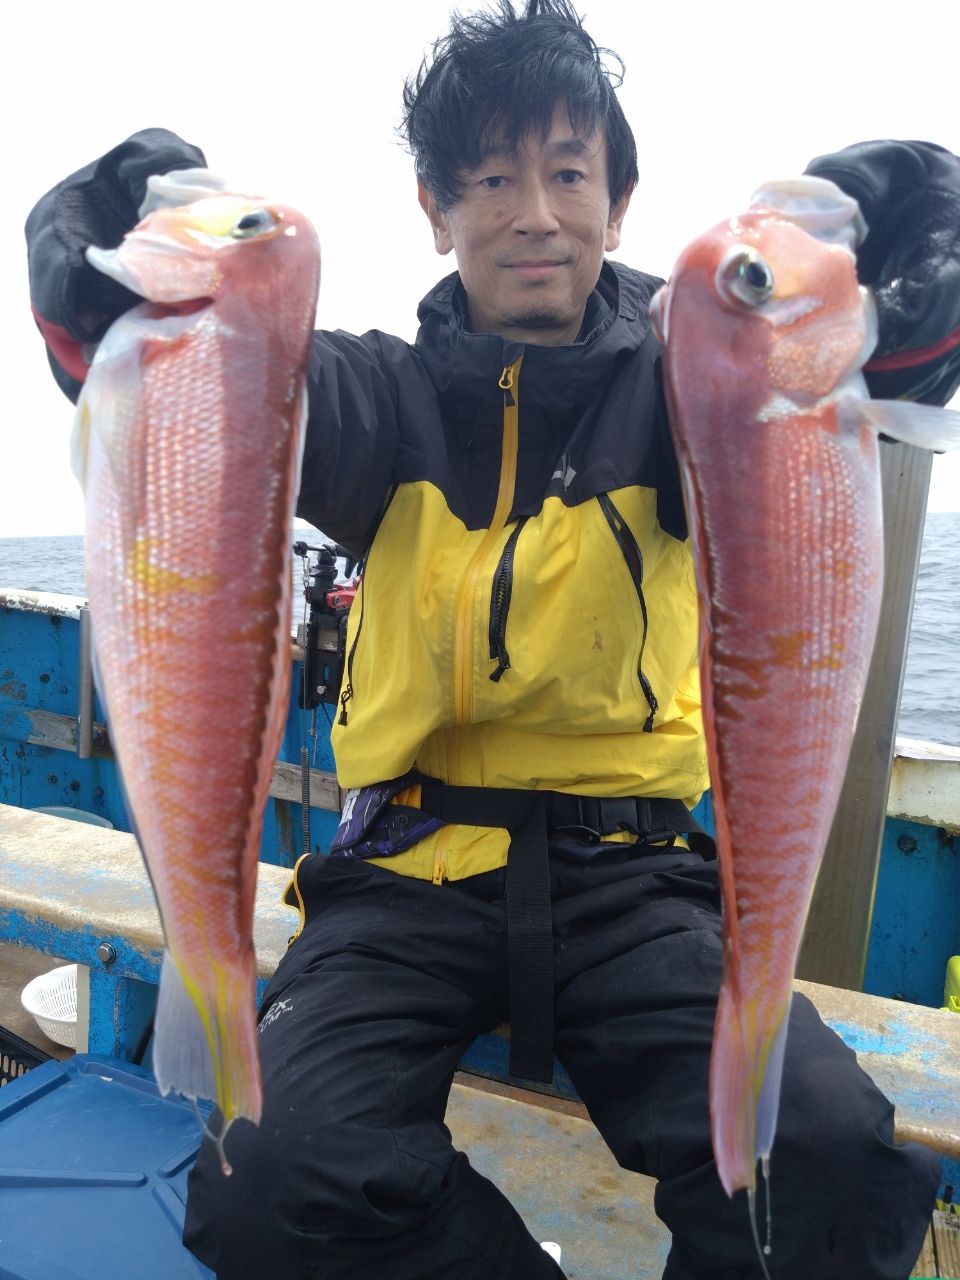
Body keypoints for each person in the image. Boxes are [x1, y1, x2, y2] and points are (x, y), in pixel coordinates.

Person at [25, 3, 960, 1277]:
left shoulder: (698, 384)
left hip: (640, 877)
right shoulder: (369, 395)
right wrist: (103, 309)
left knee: (833, 1153)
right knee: (273, 1177)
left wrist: (900, 253)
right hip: (405, 864)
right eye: (491, 178)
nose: (535, 211)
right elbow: (210, 398)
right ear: (435, 207)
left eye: (569, 172)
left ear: (618, 203)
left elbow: (853, 372)